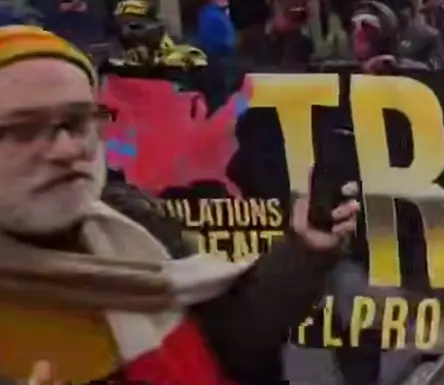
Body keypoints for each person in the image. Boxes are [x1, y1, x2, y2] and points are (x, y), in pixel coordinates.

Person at [0, 25, 360, 384]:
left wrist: (303, 250)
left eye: (78, 122)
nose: (67, 149)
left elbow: (231, 342)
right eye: (23, 129)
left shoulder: (135, 228)